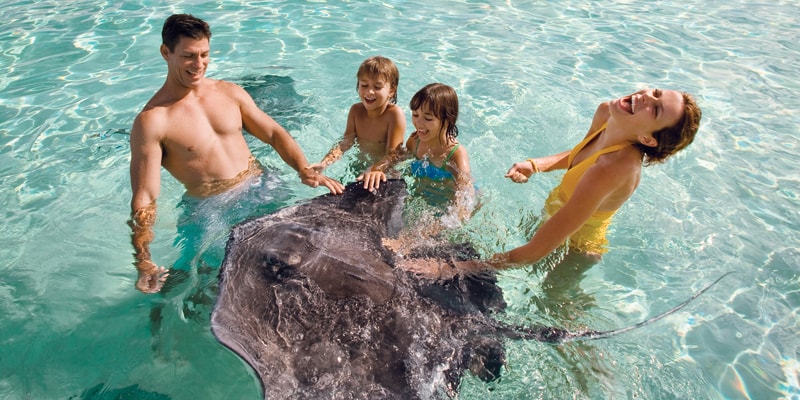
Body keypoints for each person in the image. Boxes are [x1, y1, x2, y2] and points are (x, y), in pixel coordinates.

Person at [129, 14, 344, 294]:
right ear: (165, 53)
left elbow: (273, 133)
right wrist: (143, 260)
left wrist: (302, 168)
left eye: (205, 54)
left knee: (307, 262)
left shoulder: (229, 92)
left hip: (262, 185)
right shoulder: (152, 121)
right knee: (214, 288)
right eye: (189, 56)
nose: (199, 64)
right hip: (211, 209)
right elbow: (145, 198)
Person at [399, 88, 701, 278]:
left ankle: (594, 371)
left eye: (656, 109)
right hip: (558, 210)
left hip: (576, 245)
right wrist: (535, 165)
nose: (649, 96)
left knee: (555, 308)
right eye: (657, 93)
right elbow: (580, 153)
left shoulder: (613, 169)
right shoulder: (607, 113)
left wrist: (451, 268)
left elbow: (535, 251)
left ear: (647, 139)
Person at [309, 56, 406, 190]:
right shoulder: (356, 111)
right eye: (364, 85)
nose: (369, 91)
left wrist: (375, 169)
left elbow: (393, 154)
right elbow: (345, 143)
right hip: (359, 165)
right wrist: (325, 163)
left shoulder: (394, 115)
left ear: (391, 91)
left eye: (377, 87)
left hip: (384, 171)